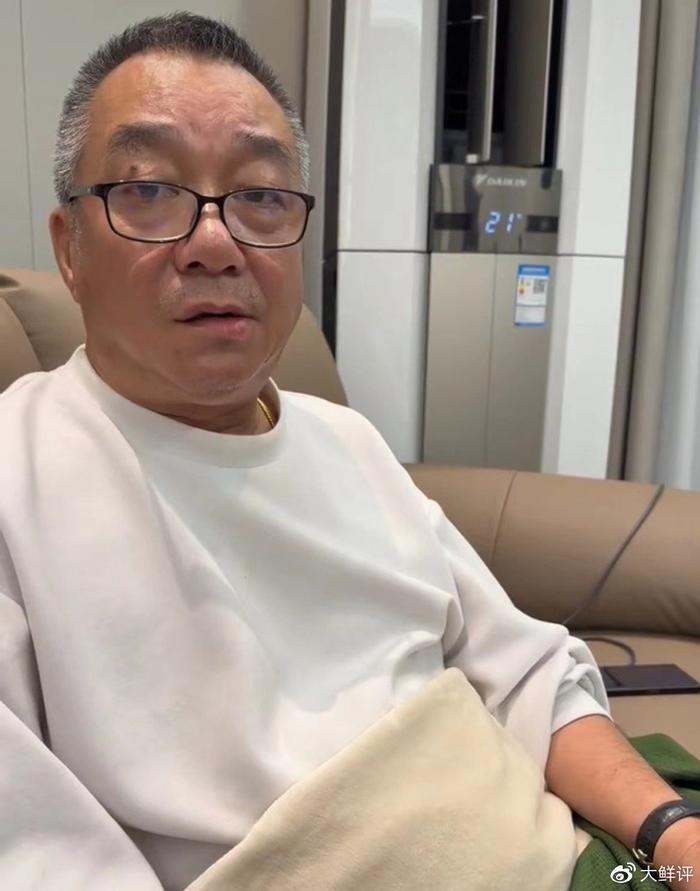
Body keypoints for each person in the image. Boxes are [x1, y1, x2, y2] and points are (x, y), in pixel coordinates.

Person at [0, 12, 698, 891]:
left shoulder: (347, 441)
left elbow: (528, 672)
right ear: (69, 248)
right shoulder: (18, 482)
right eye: (148, 190)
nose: (215, 243)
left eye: (260, 195)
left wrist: (673, 834)